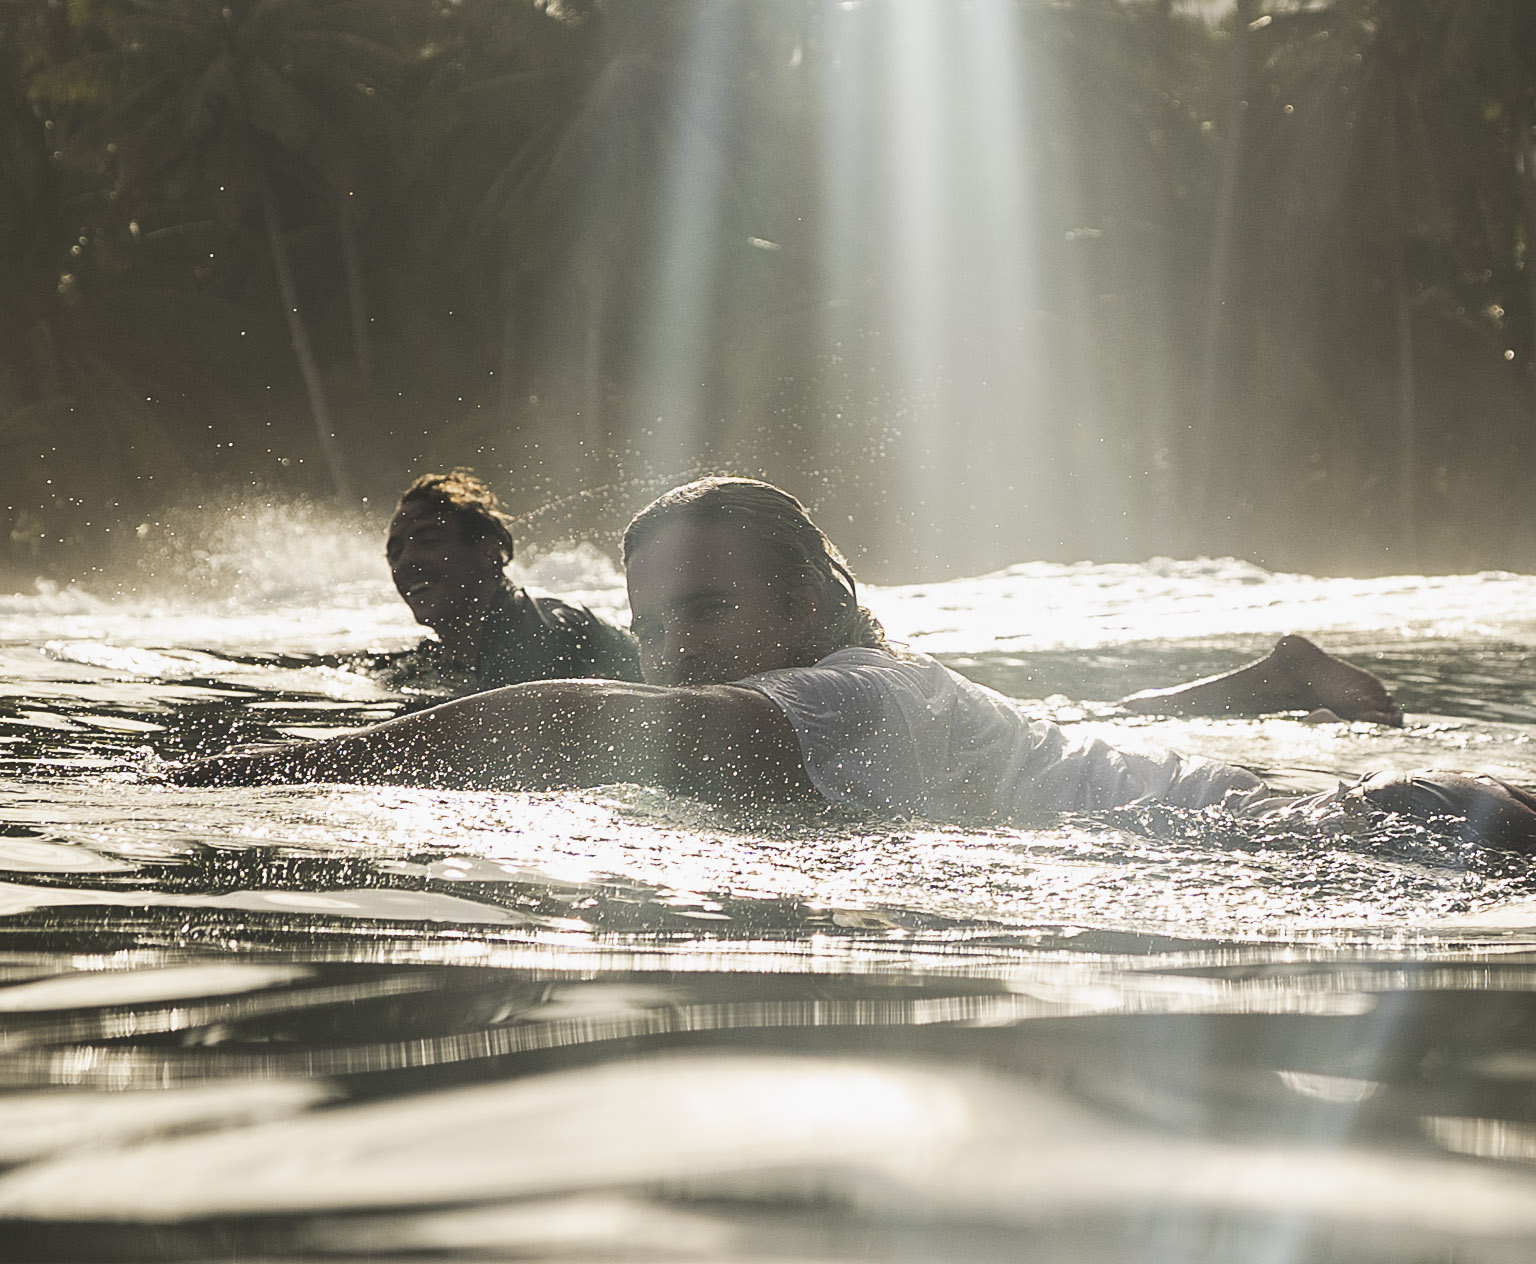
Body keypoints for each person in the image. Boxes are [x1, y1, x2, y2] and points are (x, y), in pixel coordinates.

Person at [171, 477, 1536, 850]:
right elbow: (1081, 730)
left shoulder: (847, 693)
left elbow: (559, 723)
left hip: (1387, 837)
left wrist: (249, 776)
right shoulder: (903, 694)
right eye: (654, 627)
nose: (672, 654)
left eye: (704, 613)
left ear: (815, 594)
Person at [384, 470, 641, 688]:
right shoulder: (436, 660)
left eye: (429, 541)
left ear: (488, 552)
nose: (405, 562)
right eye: (394, 554)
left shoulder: (542, 638)